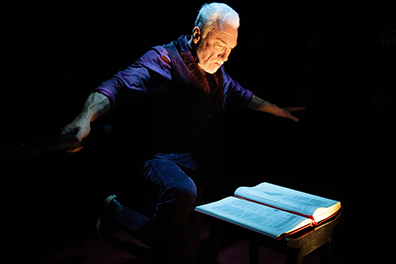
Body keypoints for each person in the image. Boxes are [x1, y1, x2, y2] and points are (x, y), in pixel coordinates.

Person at [61, 3, 304, 263]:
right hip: (160, 158)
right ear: (197, 34)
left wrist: (276, 109)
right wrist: (85, 116)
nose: (225, 56)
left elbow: (243, 95)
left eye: (231, 49)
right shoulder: (163, 60)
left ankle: (148, 235)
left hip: (200, 168)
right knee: (182, 192)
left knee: (182, 252)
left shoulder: (218, 73)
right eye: (220, 43)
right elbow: (117, 86)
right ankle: (116, 213)